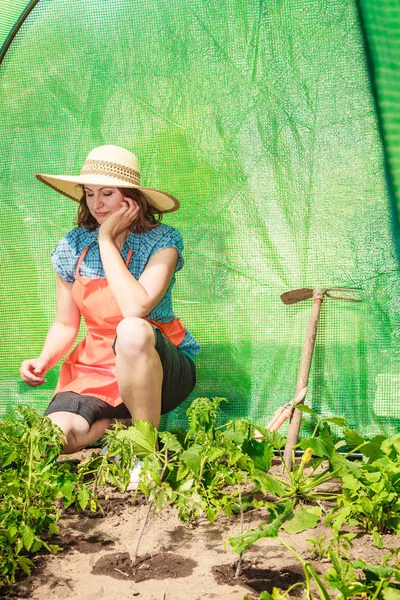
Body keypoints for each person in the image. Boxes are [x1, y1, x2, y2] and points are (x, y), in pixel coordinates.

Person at [20, 144, 200, 487]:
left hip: (158, 363)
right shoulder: (71, 246)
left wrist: (105, 238)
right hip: (95, 367)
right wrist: (42, 361)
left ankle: (146, 453)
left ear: (132, 198)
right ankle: (123, 427)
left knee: (132, 329)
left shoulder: (162, 242)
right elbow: (65, 323)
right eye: (89, 194)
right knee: (57, 437)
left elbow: (137, 307)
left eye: (107, 193)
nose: (97, 204)